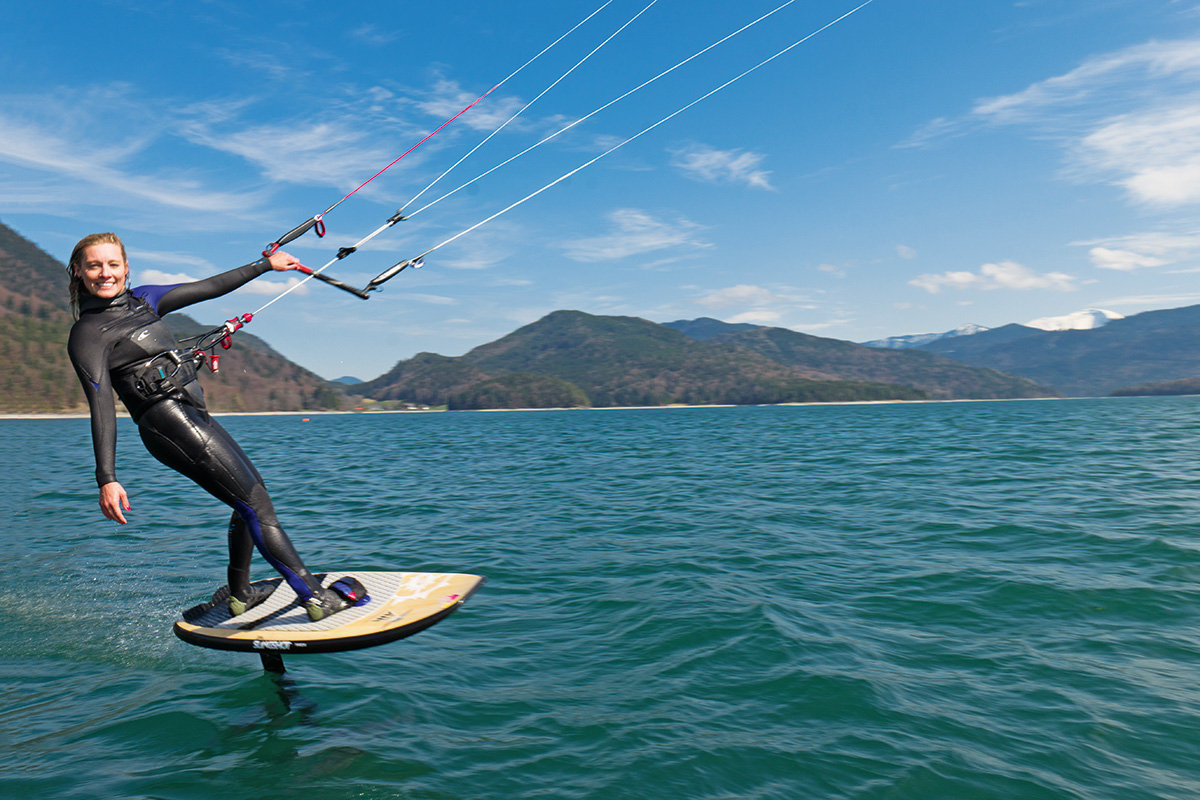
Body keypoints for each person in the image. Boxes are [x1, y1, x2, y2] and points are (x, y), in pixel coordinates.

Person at [67, 232, 361, 621]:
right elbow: (100, 404)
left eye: (112, 264)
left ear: (125, 267)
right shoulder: (87, 335)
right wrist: (106, 477)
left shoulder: (146, 300)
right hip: (166, 423)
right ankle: (314, 598)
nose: (105, 274)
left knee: (251, 499)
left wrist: (264, 266)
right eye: (94, 265)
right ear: (78, 272)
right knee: (255, 504)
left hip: (193, 414)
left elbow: (208, 287)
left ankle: (240, 593)